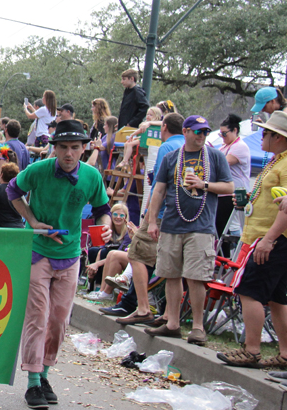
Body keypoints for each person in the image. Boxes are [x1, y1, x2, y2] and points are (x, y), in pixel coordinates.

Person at [6, 119, 111, 410]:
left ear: (83, 148)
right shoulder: (38, 170)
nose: (68, 153)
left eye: (75, 148)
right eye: (63, 147)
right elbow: (12, 191)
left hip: (70, 256)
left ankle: (45, 374)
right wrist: (34, 222)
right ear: (54, 148)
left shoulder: (92, 176)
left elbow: (103, 210)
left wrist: (107, 226)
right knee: (38, 317)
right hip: (37, 252)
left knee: (59, 322)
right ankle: (32, 382)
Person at [145, 116, 233, 346]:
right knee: (171, 274)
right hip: (173, 224)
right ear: (185, 131)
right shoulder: (171, 157)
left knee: (196, 277)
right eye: (197, 131)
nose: (201, 135)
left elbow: (229, 187)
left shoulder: (215, 156)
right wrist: (152, 221)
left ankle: (197, 327)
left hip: (201, 227)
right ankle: (172, 323)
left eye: (205, 131)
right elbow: (159, 190)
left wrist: (203, 185)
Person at [217, 110, 287, 368]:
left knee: (249, 291)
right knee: (278, 299)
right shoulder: (276, 160)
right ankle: (284, 354)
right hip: (264, 236)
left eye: (266, 132)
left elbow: (286, 208)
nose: (262, 136)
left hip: (271, 239)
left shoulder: (285, 163)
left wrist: (269, 239)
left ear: (279, 137)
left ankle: (252, 349)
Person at [102, 113, 185, 324]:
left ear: (164, 127)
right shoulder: (192, 149)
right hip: (183, 215)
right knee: (170, 265)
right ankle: (167, 315)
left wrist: (150, 214)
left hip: (163, 211)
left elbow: (159, 185)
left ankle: (141, 307)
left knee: (137, 253)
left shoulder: (167, 148)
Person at [217, 114, 251, 258]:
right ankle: (222, 256)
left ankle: (227, 257)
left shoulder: (240, 147)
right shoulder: (225, 145)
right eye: (221, 134)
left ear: (235, 130)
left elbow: (222, 163)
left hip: (234, 193)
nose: (223, 137)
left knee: (227, 227)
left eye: (225, 134)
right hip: (223, 192)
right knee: (220, 227)